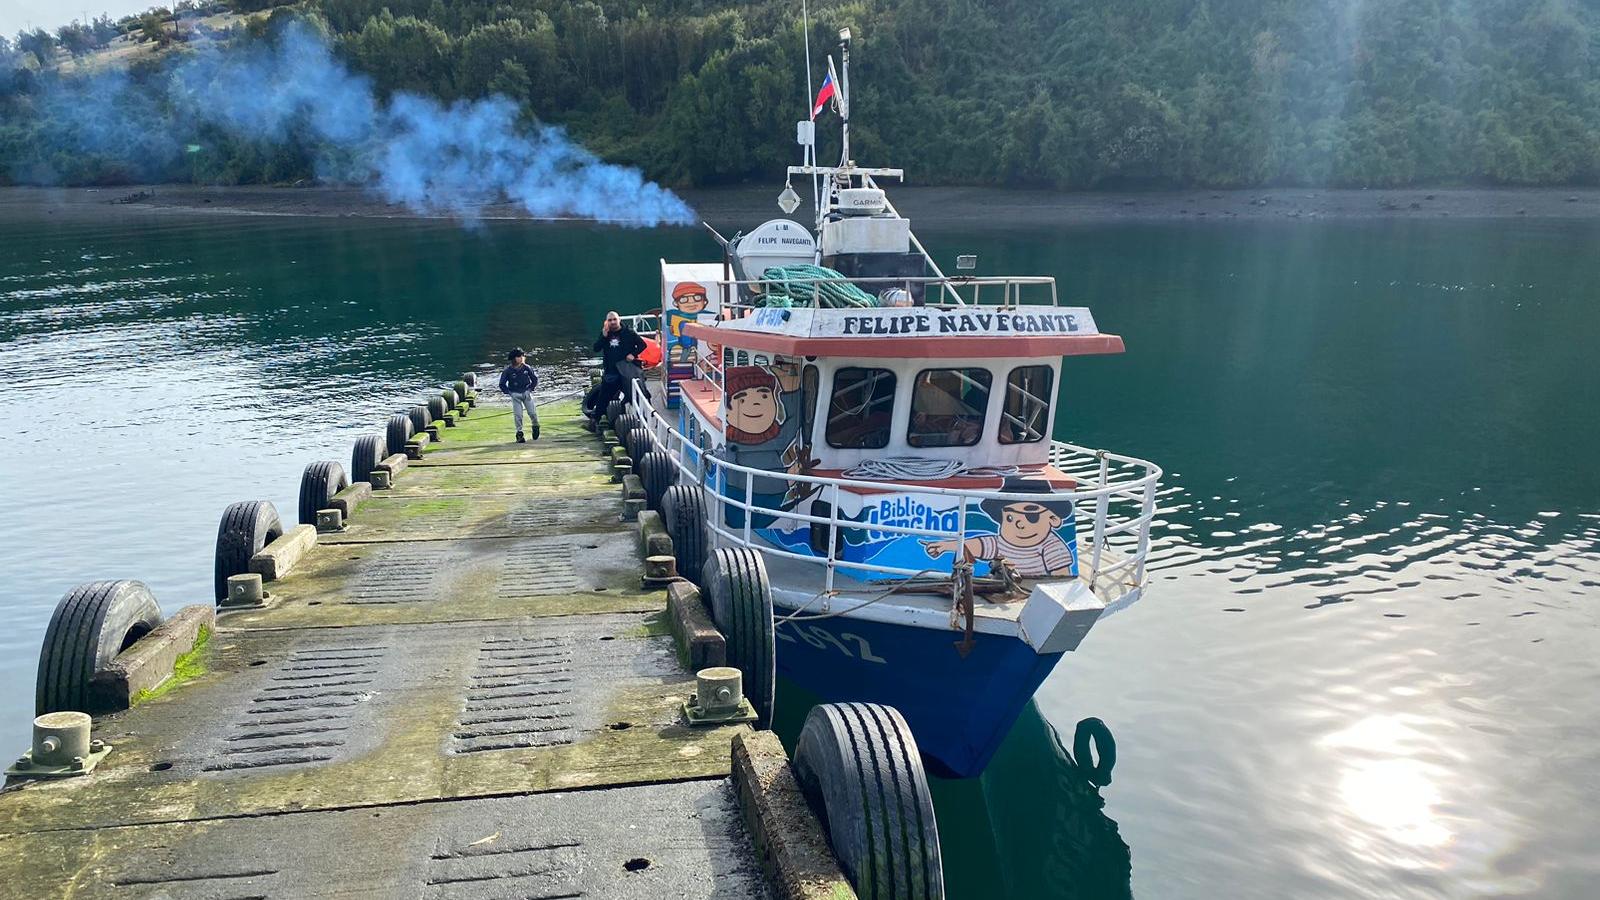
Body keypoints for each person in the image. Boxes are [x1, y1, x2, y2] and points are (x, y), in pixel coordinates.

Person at [920, 478, 1076, 578]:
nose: (1019, 524)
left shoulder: (1052, 547)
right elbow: (976, 546)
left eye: (1031, 516)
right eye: (1010, 518)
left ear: (1053, 519)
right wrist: (944, 545)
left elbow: (1061, 578)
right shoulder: (1000, 543)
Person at [584, 310, 647, 424]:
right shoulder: (605, 334)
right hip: (611, 371)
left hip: (626, 371)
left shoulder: (629, 333)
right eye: (610, 320)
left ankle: (644, 419)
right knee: (603, 397)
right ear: (606, 322)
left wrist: (633, 354)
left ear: (619, 320)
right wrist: (603, 336)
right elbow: (596, 348)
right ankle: (595, 420)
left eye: (614, 319)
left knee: (634, 395)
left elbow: (643, 345)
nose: (612, 322)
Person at [499, 348, 539, 443]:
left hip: (526, 392)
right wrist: (509, 393)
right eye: (519, 356)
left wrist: (530, 389)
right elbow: (502, 384)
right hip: (515, 394)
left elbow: (534, 379)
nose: (522, 358)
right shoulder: (507, 371)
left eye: (522, 356)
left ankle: (535, 425)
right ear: (514, 358)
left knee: (532, 412)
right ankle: (519, 433)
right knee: (518, 415)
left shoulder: (526, 368)